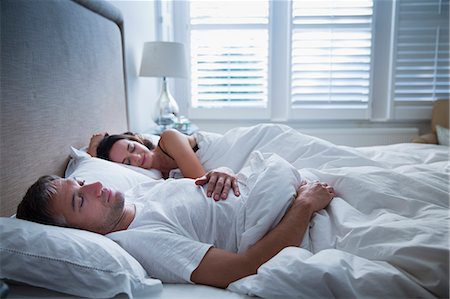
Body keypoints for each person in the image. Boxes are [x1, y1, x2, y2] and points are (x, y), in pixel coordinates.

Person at [17, 152, 335, 288]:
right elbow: (245, 267)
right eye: (80, 200)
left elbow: (201, 188)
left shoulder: (136, 194)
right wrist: (305, 204)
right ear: (74, 232)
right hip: (296, 217)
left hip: (281, 190)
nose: (97, 186)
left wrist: (223, 171)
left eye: (83, 183)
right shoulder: (142, 242)